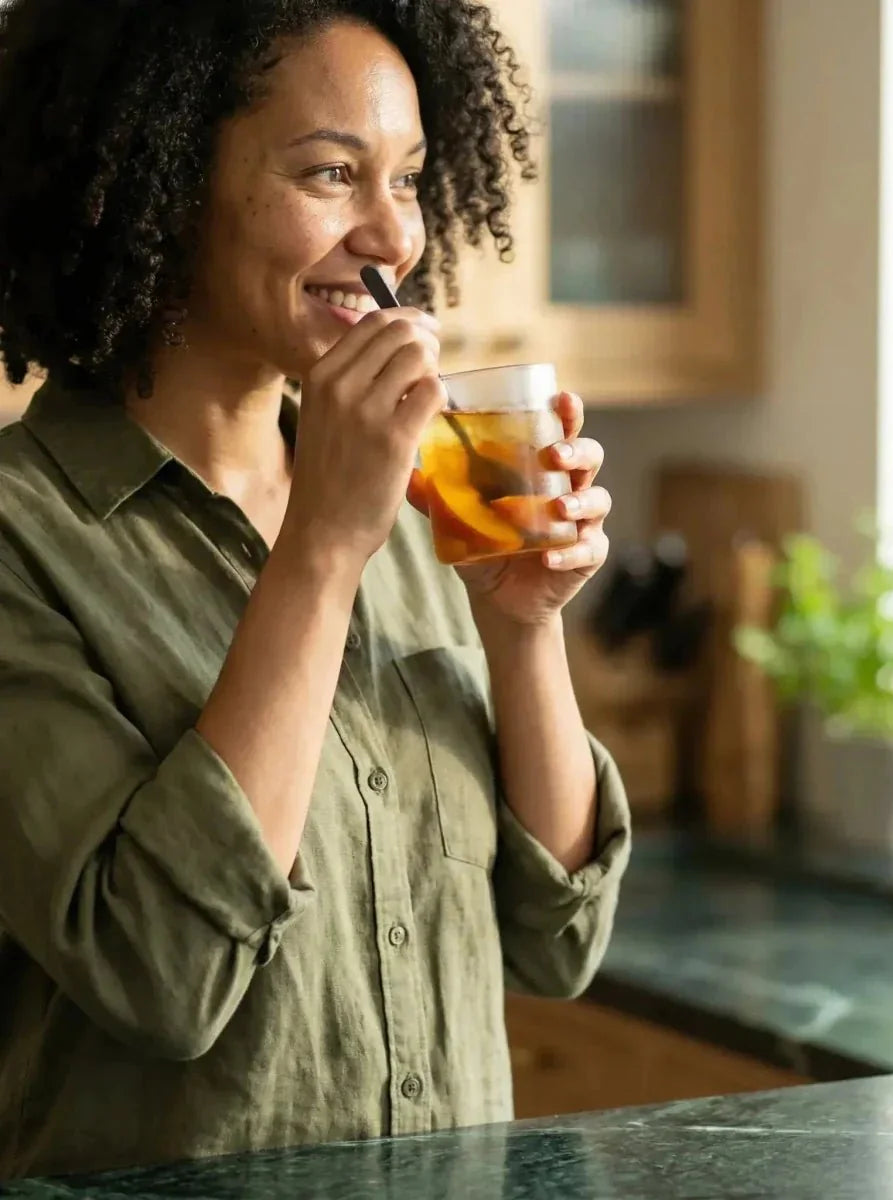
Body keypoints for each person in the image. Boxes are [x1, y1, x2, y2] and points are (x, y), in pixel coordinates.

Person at [0, 0, 629, 1179]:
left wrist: (521, 628)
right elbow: (160, 974)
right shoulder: (23, 541)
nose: (393, 233)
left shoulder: (411, 496)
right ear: (165, 177)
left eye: (410, 178)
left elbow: (561, 943)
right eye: (333, 175)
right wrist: (322, 553)